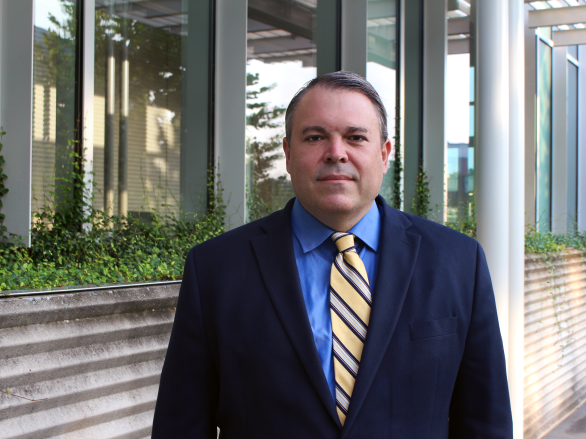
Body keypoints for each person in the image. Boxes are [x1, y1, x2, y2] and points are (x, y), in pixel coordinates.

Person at [152, 71, 512, 438]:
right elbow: (181, 425)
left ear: (385, 154)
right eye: (315, 137)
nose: (336, 152)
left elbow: (485, 421)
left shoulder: (459, 262)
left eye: (355, 137)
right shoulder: (215, 268)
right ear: (288, 154)